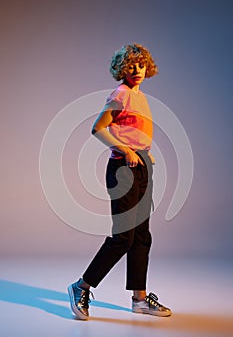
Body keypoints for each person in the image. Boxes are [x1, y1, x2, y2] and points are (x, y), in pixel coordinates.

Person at [68, 43, 172, 320]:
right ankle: (81, 286)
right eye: (131, 66)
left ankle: (139, 299)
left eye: (140, 65)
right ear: (122, 69)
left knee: (141, 236)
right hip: (122, 168)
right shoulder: (121, 94)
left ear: (147, 67)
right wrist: (126, 150)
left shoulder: (141, 97)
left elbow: (135, 133)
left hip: (142, 166)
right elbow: (98, 128)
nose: (136, 70)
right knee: (123, 237)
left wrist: (145, 155)